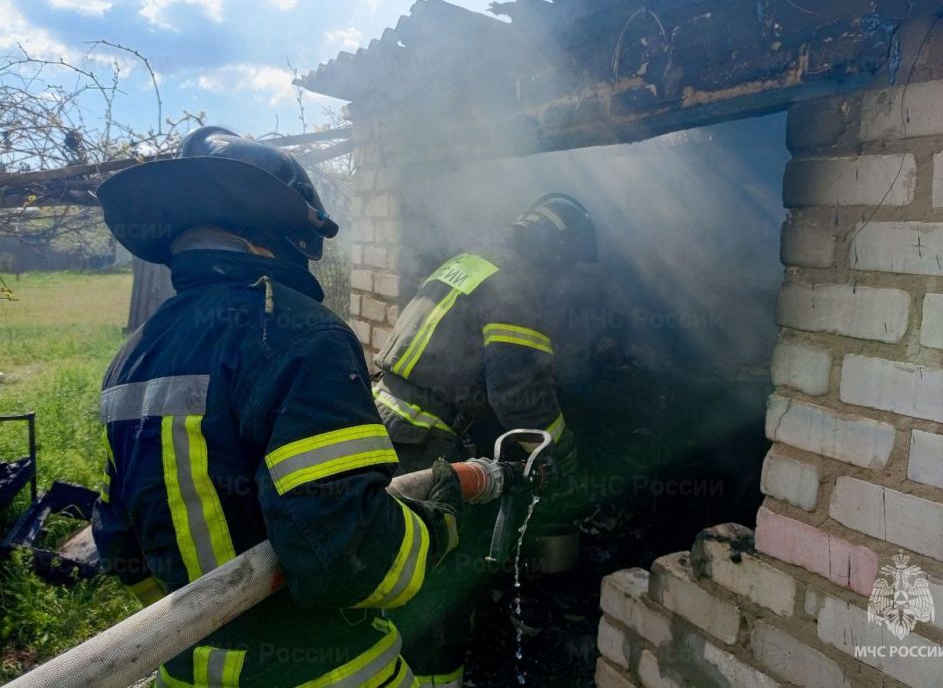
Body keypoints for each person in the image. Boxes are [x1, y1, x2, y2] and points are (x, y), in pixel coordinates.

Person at [92, 126, 461, 688]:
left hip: (186, 672)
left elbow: (117, 535)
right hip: (328, 670)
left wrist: (203, 621)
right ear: (289, 233)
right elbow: (349, 553)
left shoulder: (134, 354)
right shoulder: (298, 333)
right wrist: (436, 532)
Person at [373, 194, 597, 686]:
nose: (565, 276)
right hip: (425, 442)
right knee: (441, 581)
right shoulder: (523, 282)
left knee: (394, 562)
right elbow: (518, 392)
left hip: (388, 422)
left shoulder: (472, 260)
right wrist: (563, 453)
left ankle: (387, 664)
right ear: (558, 247)